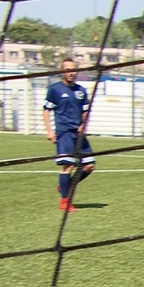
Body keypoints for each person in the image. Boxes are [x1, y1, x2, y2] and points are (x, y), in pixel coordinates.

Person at [43, 57, 95, 212]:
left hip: (78, 134)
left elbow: (85, 112)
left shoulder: (81, 91)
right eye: (68, 70)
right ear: (62, 71)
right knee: (69, 165)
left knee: (90, 166)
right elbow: (46, 110)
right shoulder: (55, 89)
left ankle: (64, 187)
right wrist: (50, 131)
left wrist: (84, 124)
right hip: (64, 132)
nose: (71, 73)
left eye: (74, 70)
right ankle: (65, 201)